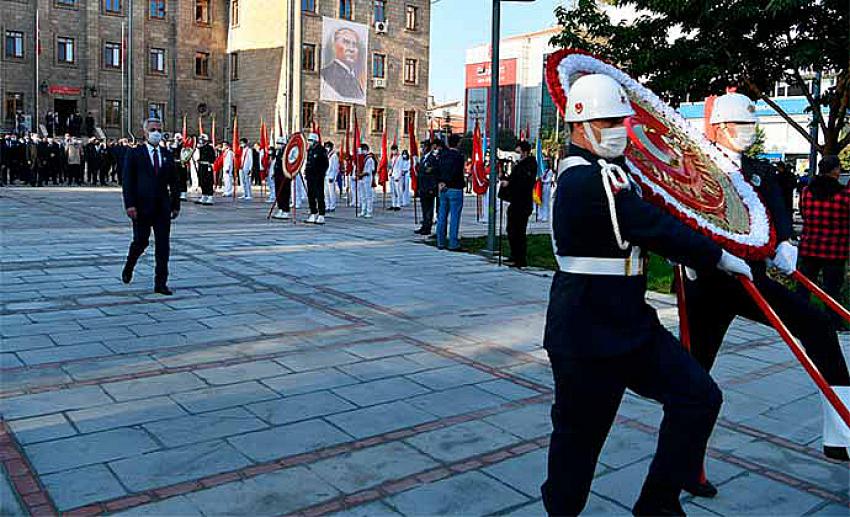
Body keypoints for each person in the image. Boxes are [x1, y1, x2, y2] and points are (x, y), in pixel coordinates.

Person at [542, 73, 745, 516]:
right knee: (578, 444)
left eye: (621, 120)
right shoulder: (584, 180)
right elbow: (649, 224)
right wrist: (718, 254)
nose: (621, 129)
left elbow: (660, 207)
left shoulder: (612, 172)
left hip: (631, 323)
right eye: (610, 121)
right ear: (580, 125)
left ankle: (657, 504)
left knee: (699, 397)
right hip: (586, 334)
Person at [685, 92, 850, 475]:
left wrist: (786, 243)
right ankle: (687, 463)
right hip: (712, 283)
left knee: (818, 324)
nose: (748, 132)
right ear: (721, 128)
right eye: (742, 125)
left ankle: (840, 432)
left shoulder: (759, 170)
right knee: (694, 375)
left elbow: (776, 210)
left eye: (751, 125)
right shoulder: (699, 168)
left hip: (753, 280)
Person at [121, 118, 180, 295]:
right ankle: (130, 264)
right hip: (141, 206)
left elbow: (174, 182)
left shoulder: (166, 154)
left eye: (159, 130)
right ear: (145, 132)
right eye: (153, 129)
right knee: (141, 241)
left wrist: (175, 204)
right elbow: (127, 181)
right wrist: (130, 204)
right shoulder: (135, 153)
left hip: (162, 207)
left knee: (163, 245)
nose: (156, 133)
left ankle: (160, 282)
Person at [798, 155, 850, 314]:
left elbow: (802, 213)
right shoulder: (844, 195)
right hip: (835, 250)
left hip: (809, 246)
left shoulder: (806, 191)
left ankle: (798, 319)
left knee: (804, 287)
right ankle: (832, 322)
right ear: (835, 171)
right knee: (832, 290)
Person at [499, 140, 537, 267]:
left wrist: (509, 183)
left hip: (522, 203)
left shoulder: (529, 164)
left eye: (518, 152)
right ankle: (514, 255)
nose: (517, 154)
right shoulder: (520, 165)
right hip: (516, 202)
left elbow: (524, 182)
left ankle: (519, 258)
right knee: (511, 230)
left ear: (525, 152)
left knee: (518, 231)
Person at [436, 134, 465, 251]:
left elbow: (437, 170)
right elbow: (456, 172)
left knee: (442, 215)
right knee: (454, 216)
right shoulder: (459, 156)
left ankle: (440, 242)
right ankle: (453, 243)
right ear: (458, 143)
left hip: (443, 188)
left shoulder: (442, 155)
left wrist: (440, 182)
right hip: (455, 187)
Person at [320, 27, 365, 101]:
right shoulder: (326, 73)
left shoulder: (355, 78)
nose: (351, 49)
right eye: (346, 43)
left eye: (354, 45)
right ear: (334, 46)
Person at [415, 139, 439, 235]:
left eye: (423, 147)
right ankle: (424, 225)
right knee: (424, 208)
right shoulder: (423, 158)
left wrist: (432, 188)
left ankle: (427, 227)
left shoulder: (432, 158)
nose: (421, 149)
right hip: (422, 186)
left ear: (427, 148)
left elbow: (433, 173)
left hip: (429, 187)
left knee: (429, 208)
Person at [304, 133, 328, 224]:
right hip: (310, 176)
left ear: (315, 141)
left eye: (311, 140)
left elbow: (325, 164)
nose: (309, 142)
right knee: (311, 195)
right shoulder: (310, 150)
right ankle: (313, 212)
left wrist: (321, 174)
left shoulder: (321, 150)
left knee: (319, 195)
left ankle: (321, 214)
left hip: (318, 177)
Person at [195, 134, 215, 205]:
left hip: (207, 166)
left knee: (208, 181)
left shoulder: (210, 148)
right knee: (202, 181)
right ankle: (204, 195)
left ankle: (210, 197)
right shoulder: (200, 148)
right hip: (201, 166)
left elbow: (213, 158)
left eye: (202, 139)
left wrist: (210, 163)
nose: (201, 141)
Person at [357, 142, 376, 218]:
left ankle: (369, 211)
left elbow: (369, 171)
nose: (360, 151)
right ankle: (363, 210)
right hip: (361, 179)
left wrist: (360, 174)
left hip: (367, 179)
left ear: (365, 149)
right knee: (362, 196)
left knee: (368, 196)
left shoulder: (369, 159)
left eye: (362, 150)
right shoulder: (362, 158)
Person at [171, 134, 189, 200]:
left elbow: (186, 155)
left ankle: (183, 193)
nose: (177, 140)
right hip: (175, 164)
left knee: (182, 179)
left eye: (178, 139)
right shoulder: (173, 145)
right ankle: (176, 192)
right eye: (176, 139)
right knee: (175, 179)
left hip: (181, 163)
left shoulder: (184, 146)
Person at [325, 141, 340, 212]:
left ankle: (332, 206)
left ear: (331, 147)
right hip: (325, 176)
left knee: (331, 192)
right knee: (326, 192)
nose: (327, 148)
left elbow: (335, 167)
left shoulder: (334, 156)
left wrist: (333, 177)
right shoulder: (326, 155)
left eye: (328, 146)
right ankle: (327, 205)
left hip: (330, 176)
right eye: (326, 146)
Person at [539, 158, 555, 222]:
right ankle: (541, 215)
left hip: (547, 186)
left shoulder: (550, 171)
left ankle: (545, 216)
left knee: (546, 201)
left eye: (545, 163)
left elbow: (548, 179)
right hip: (542, 186)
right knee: (541, 201)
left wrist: (542, 180)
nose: (544, 164)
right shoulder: (543, 171)